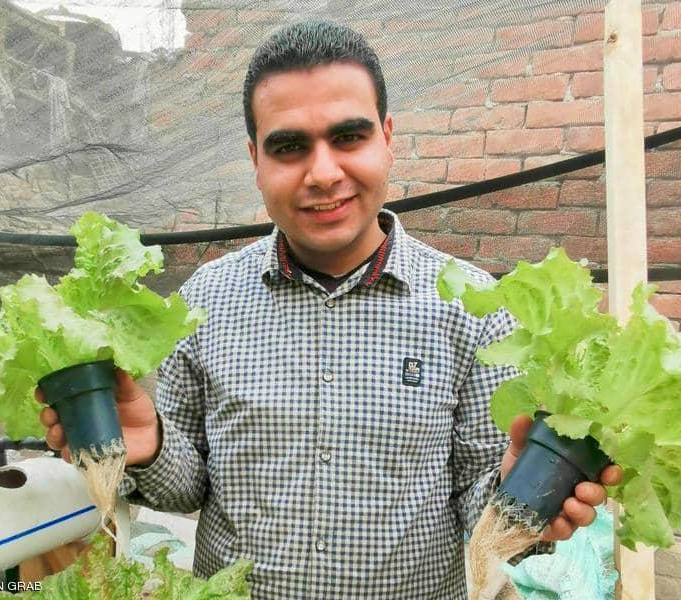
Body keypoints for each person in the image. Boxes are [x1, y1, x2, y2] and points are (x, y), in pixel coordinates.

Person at [39, 19, 622, 599]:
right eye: (289, 147)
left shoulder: (470, 307)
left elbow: (478, 512)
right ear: (255, 160)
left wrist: (522, 496)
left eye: (349, 137)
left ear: (387, 138)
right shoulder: (205, 300)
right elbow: (187, 490)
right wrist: (149, 445)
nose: (323, 173)